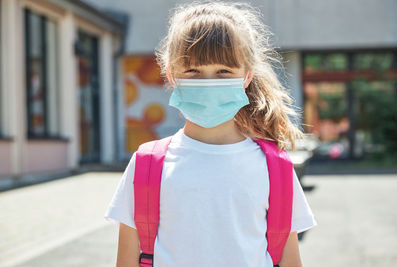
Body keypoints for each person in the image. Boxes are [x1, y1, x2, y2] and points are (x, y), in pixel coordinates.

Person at [104, 1, 317, 267]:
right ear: (171, 76)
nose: (208, 82)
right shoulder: (146, 165)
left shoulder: (276, 169)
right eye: (192, 71)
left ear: (246, 76)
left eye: (224, 71)